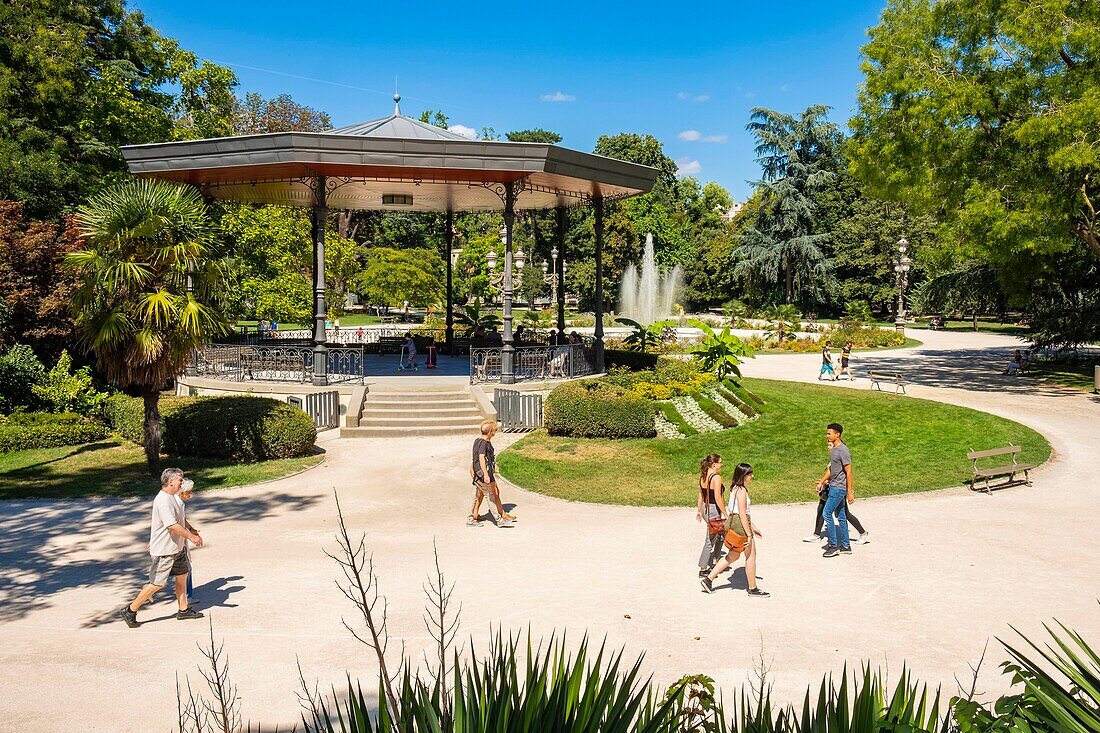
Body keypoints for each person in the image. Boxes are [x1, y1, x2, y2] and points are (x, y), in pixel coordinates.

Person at [119, 468, 204, 627]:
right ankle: (130, 610)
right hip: (165, 551)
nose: (183, 482)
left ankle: (183, 610)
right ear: (171, 482)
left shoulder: (173, 498)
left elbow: (179, 519)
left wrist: (191, 529)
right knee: (157, 583)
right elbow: (172, 525)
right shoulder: (163, 501)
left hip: (176, 548)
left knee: (182, 575)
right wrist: (191, 537)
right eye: (180, 480)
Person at [702, 463, 769, 596]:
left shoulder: (735, 489)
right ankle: (752, 588)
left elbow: (738, 512)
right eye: (749, 474)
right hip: (740, 524)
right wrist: (749, 535)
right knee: (751, 556)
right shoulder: (742, 491)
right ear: (743, 476)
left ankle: (708, 579)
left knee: (733, 555)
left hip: (734, 522)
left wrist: (753, 527)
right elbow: (743, 514)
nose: (752, 477)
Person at [468, 420, 515, 527]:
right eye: (494, 430)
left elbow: (475, 457)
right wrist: (485, 474)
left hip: (478, 473)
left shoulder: (477, 440)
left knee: (476, 496)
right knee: (490, 496)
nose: (495, 432)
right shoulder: (484, 443)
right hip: (482, 474)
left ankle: (471, 518)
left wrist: (472, 468)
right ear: (490, 432)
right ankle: (499, 520)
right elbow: (480, 457)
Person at [817, 423, 854, 557]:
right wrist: (822, 481)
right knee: (841, 516)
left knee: (827, 513)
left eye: (829, 433)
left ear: (837, 434)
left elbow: (849, 472)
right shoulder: (833, 449)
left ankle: (833, 546)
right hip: (833, 486)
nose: (827, 436)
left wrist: (849, 492)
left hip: (839, 488)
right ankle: (845, 545)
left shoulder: (843, 450)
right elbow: (833, 469)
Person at [695, 454, 728, 579]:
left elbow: (700, 496)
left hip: (705, 508)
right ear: (714, 464)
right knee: (710, 539)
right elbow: (718, 498)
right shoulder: (716, 477)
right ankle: (703, 568)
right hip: (713, 510)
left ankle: (715, 560)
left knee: (720, 535)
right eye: (720, 462)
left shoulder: (703, 476)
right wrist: (725, 513)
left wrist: (699, 511)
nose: (721, 464)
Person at [177, 478, 198, 599]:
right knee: (185, 568)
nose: (190, 495)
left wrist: (191, 529)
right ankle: (187, 596)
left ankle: (187, 595)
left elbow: (182, 520)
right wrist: (191, 535)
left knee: (185, 568)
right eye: (189, 492)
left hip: (181, 539)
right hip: (178, 541)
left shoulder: (179, 503)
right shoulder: (177, 503)